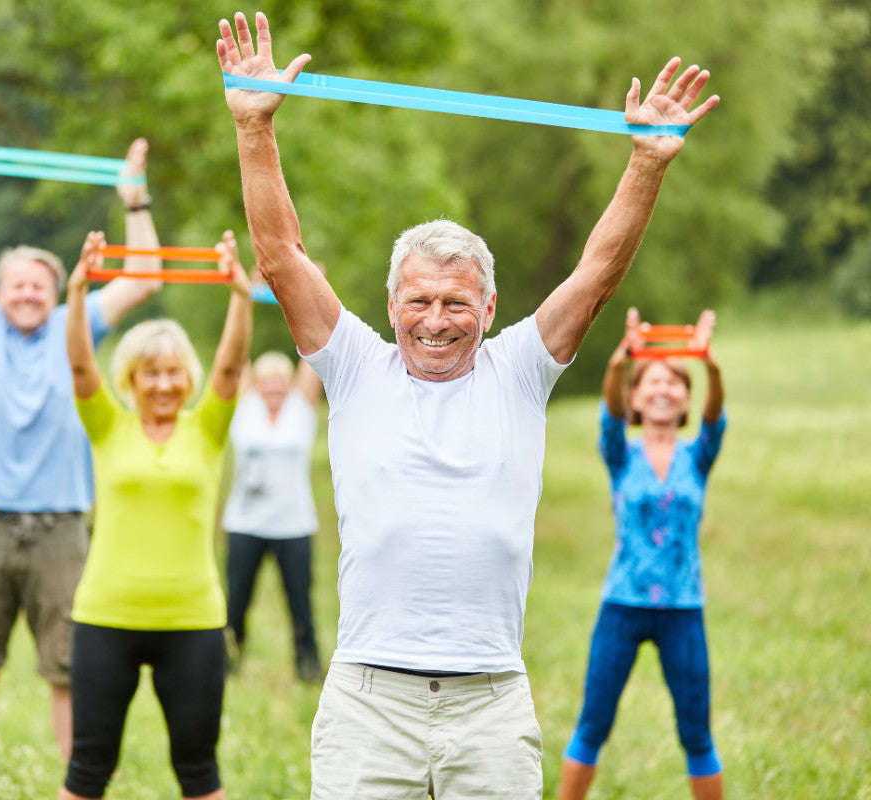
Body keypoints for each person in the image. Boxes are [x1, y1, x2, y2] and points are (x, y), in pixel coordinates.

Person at [216, 11, 719, 799]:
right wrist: (254, 129)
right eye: (419, 300)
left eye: (458, 302)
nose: (437, 319)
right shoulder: (352, 365)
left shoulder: (518, 368)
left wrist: (646, 165)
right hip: (368, 699)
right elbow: (281, 257)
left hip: (489, 701)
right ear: (390, 305)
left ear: (489, 309)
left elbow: (595, 275)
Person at [0, 121, 163, 800]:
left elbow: (144, 279)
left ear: (58, 293)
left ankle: (76, 792)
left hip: (61, 531)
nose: (26, 293)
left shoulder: (77, 326)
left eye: (39, 285)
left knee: (69, 673)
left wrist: (133, 198)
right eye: (16, 284)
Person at [57, 229, 251, 800]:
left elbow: (231, 370)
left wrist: (240, 296)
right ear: (132, 379)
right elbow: (79, 369)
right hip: (105, 618)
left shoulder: (207, 429)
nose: (164, 384)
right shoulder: (107, 425)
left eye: (173, 373)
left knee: (199, 771)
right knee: (87, 768)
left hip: (191, 622)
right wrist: (76, 294)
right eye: (151, 373)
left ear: (186, 377)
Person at [558, 308, 726, 800]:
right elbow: (609, 414)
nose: (662, 390)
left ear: (686, 400)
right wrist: (622, 360)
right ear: (635, 396)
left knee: (696, 732)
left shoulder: (698, 455)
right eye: (651, 381)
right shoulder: (620, 454)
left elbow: (716, 416)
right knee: (594, 724)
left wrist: (709, 366)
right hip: (622, 605)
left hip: (682, 609)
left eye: (674, 383)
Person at [222, 348, 324, 681]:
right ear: (257, 385)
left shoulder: (301, 408)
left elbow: (312, 347)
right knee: (236, 601)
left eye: (281, 381)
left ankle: (307, 669)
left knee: (300, 604)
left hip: (293, 526)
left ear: (291, 384)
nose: (274, 388)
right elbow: (235, 355)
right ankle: (227, 665)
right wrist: (243, 297)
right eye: (267, 381)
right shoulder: (245, 407)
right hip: (245, 524)